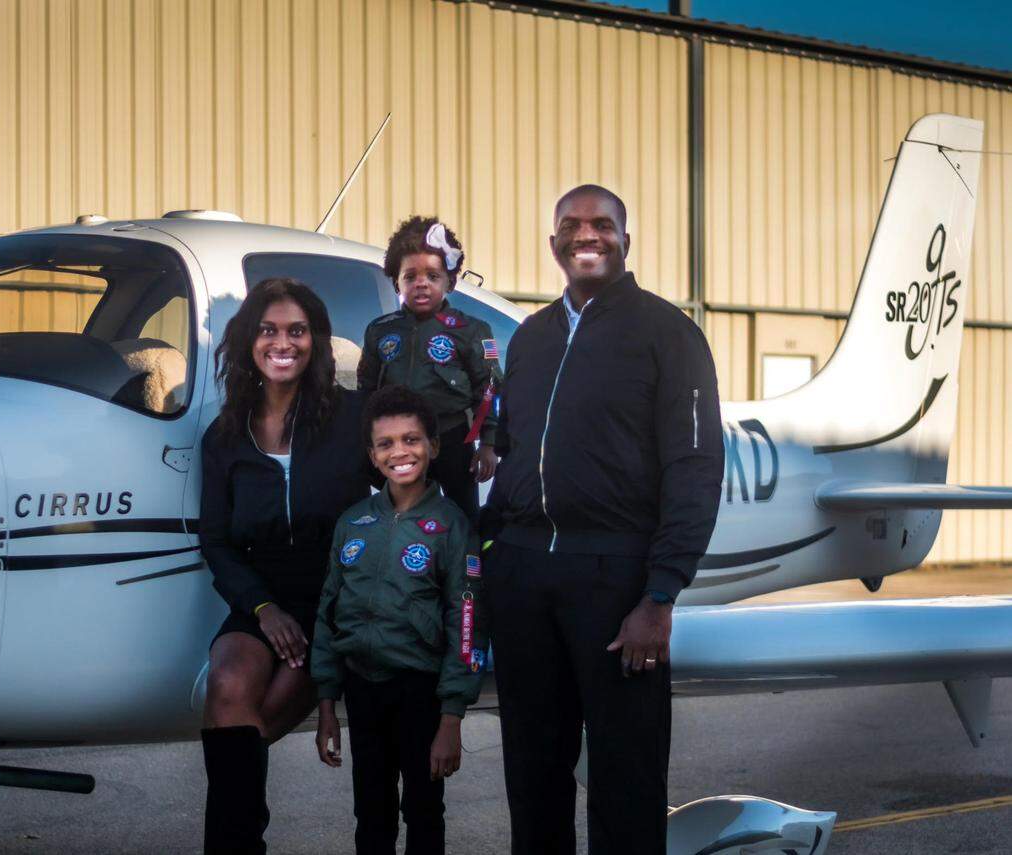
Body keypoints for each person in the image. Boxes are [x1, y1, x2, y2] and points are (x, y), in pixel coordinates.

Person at [482, 185, 725, 854]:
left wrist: (659, 593)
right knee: (532, 777)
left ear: (626, 240)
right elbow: (507, 454)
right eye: (571, 224)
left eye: (602, 224)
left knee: (627, 781)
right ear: (553, 242)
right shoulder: (529, 339)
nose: (586, 235)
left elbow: (696, 467)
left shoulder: (670, 333)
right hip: (524, 577)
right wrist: (492, 562)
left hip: (617, 579)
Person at [198, 278, 375, 854]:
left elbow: (407, 486)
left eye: (297, 331)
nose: (283, 342)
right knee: (228, 686)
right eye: (269, 329)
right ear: (249, 339)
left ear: (316, 341)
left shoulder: (352, 419)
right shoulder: (225, 436)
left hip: (336, 600)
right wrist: (263, 608)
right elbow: (217, 542)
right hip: (263, 598)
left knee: (252, 728)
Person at [311, 384, 487, 855]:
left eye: (411, 440)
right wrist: (327, 702)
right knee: (371, 812)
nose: (400, 452)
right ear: (371, 455)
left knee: (424, 811)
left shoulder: (452, 527)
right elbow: (329, 612)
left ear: (433, 446)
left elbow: (466, 624)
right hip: (362, 691)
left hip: (421, 693)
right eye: (386, 443)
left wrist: (452, 717)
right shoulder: (353, 523)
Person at [356, 216, 503, 521]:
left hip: (452, 441)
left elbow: (488, 389)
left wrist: (488, 444)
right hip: (397, 445)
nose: (421, 283)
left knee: (462, 520)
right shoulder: (380, 331)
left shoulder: (471, 330)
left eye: (432, 276)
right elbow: (366, 391)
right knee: (399, 516)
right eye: (410, 276)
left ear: (449, 281)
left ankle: (464, 568)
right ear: (396, 280)